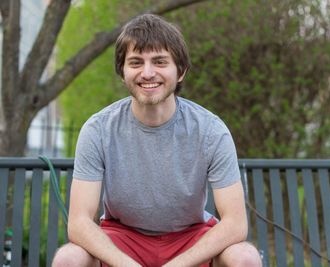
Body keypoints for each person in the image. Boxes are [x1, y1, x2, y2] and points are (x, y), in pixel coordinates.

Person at [52, 14, 262, 267]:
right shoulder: (98, 130)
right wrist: (125, 263)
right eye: (136, 62)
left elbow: (235, 224)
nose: (148, 73)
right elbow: (79, 223)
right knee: (68, 258)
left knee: (246, 257)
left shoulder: (211, 131)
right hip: (123, 239)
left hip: (191, 239)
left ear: (180, 71)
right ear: (123, 72)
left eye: (160, 61)